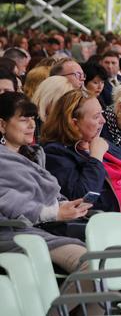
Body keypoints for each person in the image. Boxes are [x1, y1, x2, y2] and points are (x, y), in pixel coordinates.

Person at [0, 92, 92, 274]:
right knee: (90, 264)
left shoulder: (33, 154)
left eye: (33, 118)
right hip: (13, 233)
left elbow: (51, 194)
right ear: (2, 125)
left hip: (42, 229)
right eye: (24, 119)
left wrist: (67, 205)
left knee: (109, 251)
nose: (32, 125)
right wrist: (54, 212)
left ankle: (94, 303)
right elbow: (9, 201)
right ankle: (57, 304)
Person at [41, 89, 121, 213]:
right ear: (74, 124)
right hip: (112, 223)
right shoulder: (55, 154)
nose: (103, 120)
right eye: (96, 116)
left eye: (102, 114)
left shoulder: (101, 142)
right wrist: (96, 158)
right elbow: (81, 198)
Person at [31, 76, 75, 143]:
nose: (63, 108)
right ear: (48, 99)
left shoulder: (64, 125)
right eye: (60, 102)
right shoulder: (31, 123)